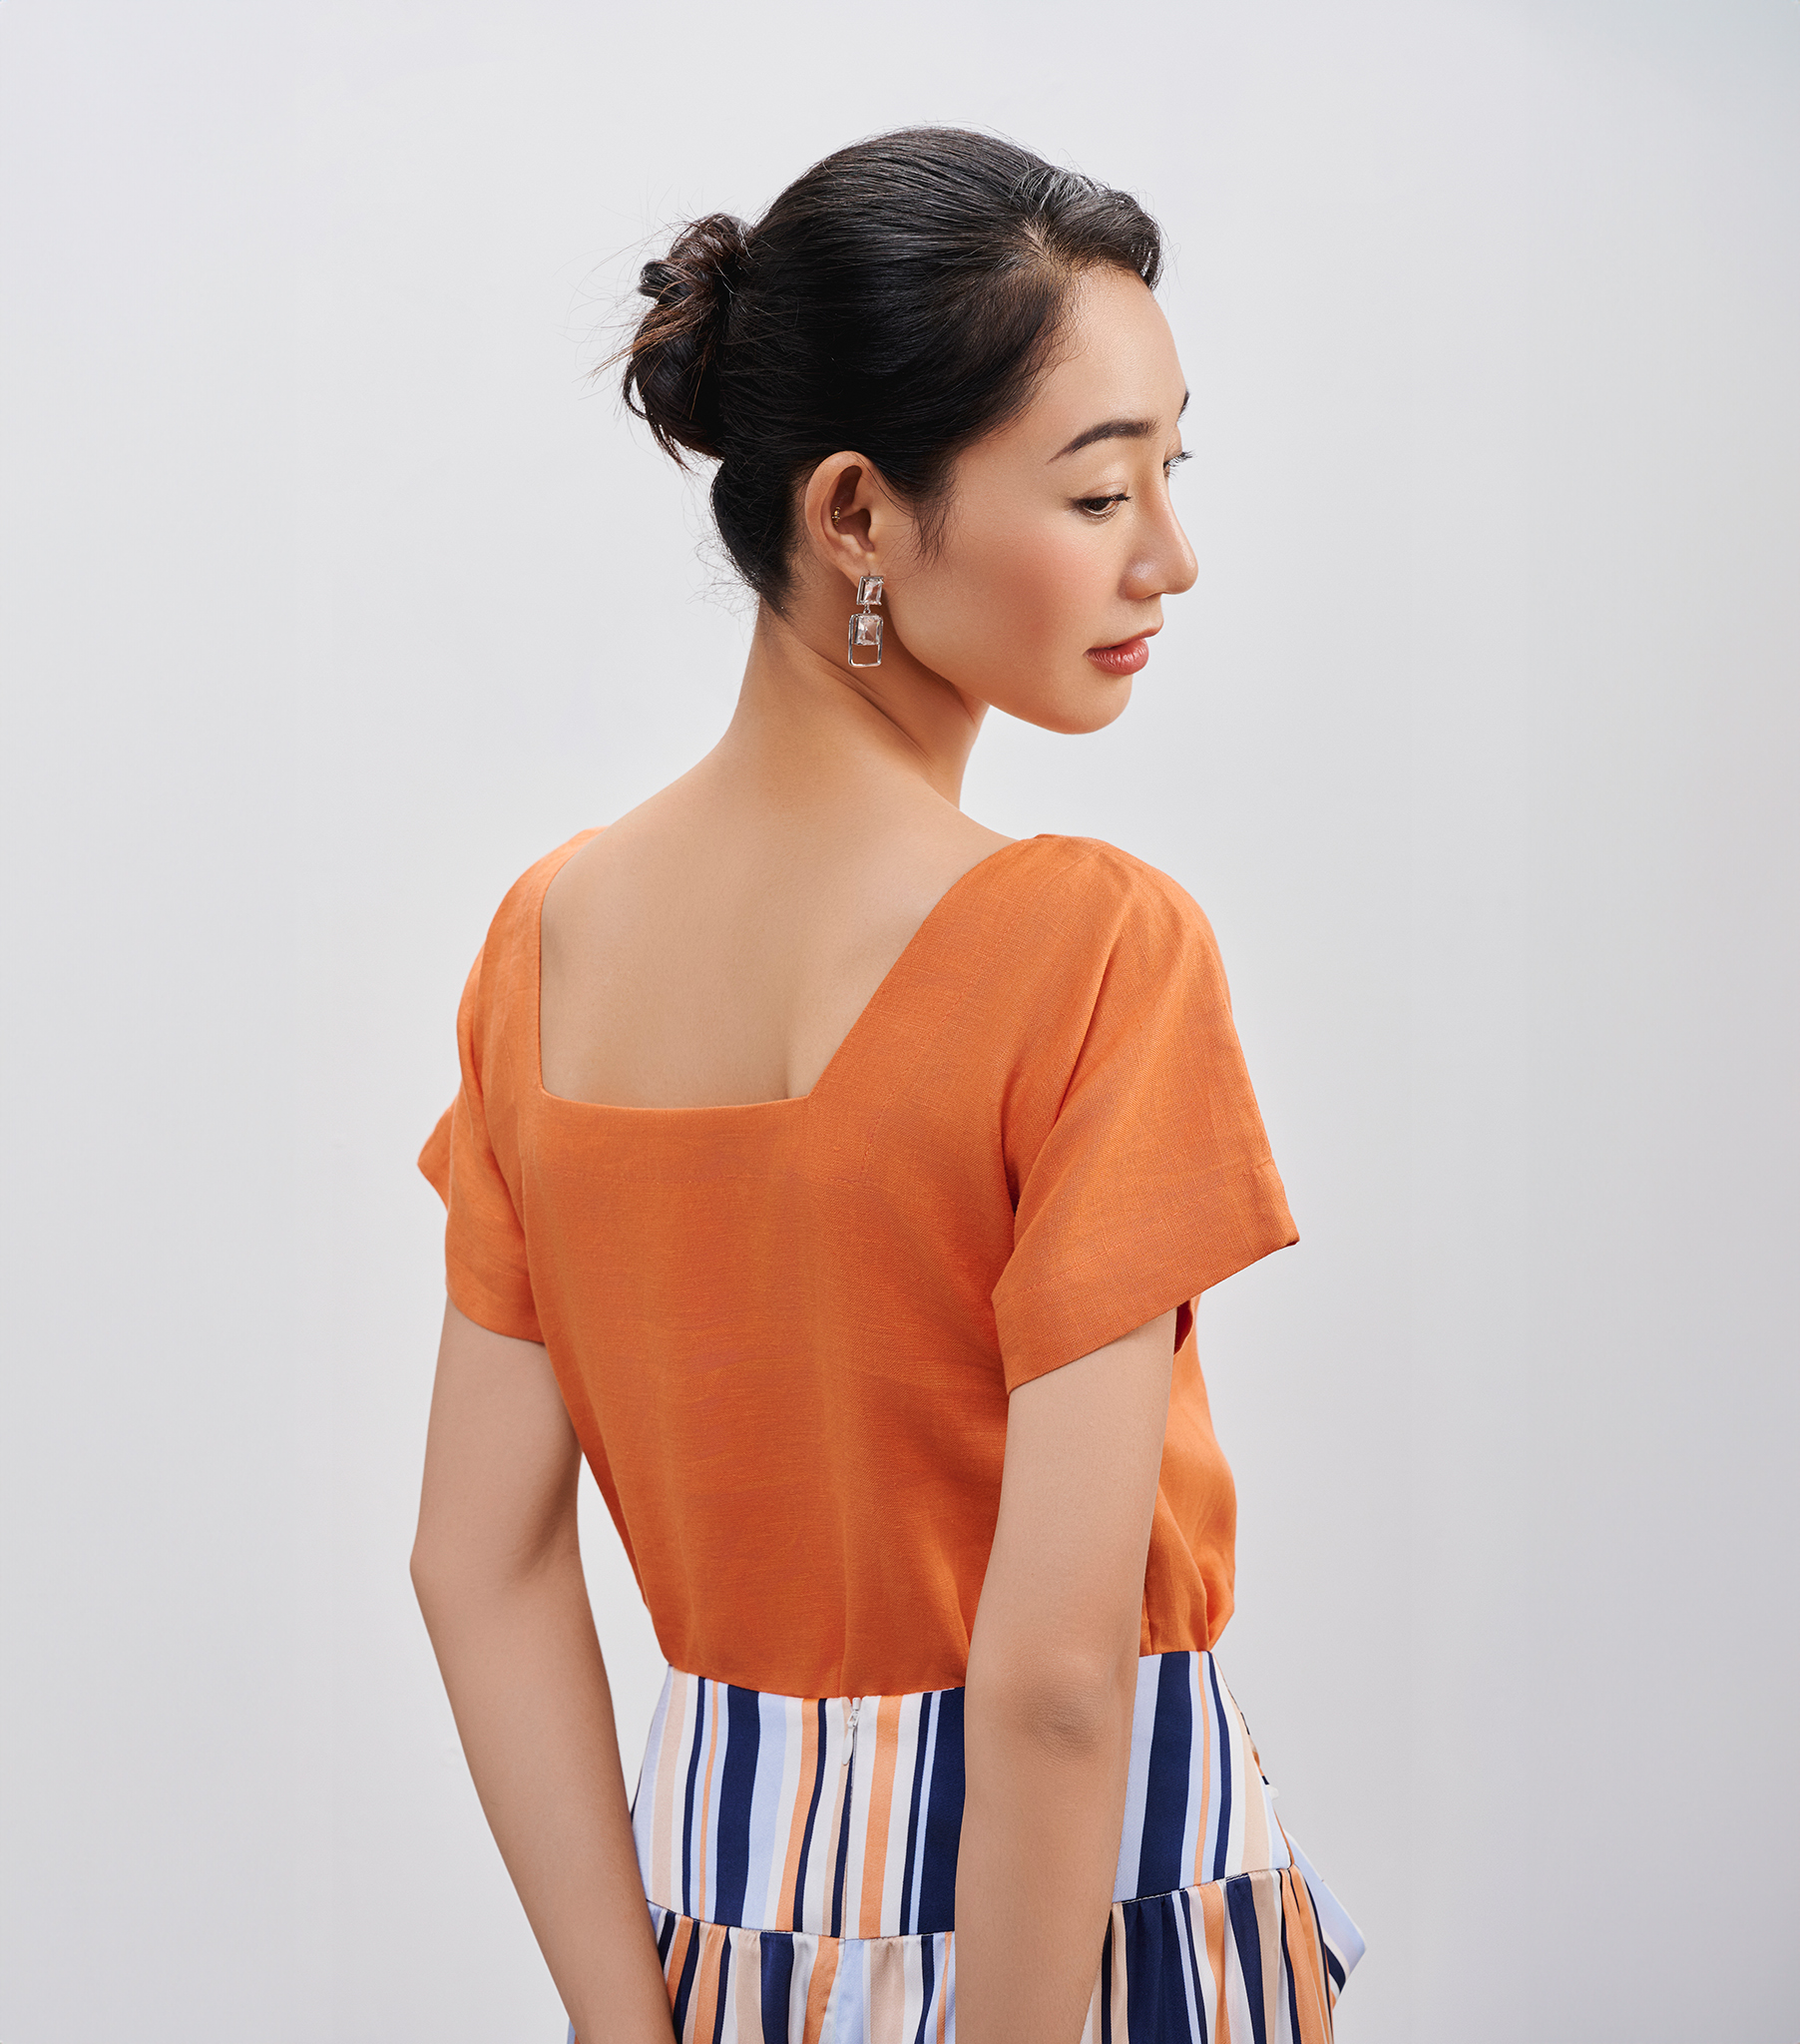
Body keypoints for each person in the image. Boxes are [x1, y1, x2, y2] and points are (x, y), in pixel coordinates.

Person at [410, 127, 1363, 2044]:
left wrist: (625, 2021)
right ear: (855, 511)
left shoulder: (544, 947)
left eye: (1170, 472)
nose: (1169, 556)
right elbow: (1058, 1681)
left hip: (724, 1918)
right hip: (1089, 1927)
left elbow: (473, 1560)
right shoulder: (1090, 946)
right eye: (1097, 489)